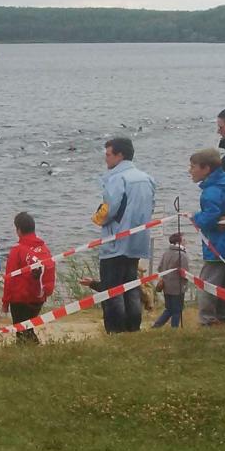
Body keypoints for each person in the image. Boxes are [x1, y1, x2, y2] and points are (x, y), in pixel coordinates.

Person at [92, 137, 156, 333]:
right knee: (131, 287)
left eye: (108, 155)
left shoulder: (116, 178)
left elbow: (109, 211)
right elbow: (151, 207)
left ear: (119, 155)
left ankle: (116, 330)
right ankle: (133, 327)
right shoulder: (147, 178)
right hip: (137, 241)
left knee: (112, 290)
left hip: (116, 241)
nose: (106, 159)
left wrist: (97, 218)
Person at [1, 212, 56, 344]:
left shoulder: (17, 250)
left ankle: (30, 352)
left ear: (19, 230)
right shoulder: (44, 248)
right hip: (39, 297)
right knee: (28, 329)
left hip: (21, 298)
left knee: (22, 332)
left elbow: (9, 278)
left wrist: (5, 301)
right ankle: (33, 349)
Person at [189, 148, 225, 325]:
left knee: (207, 283)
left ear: (206, 168)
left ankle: (207, 318)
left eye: (193, 166)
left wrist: (195, 217)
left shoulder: (210, 192)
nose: (190, 170)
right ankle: (223, 315)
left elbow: (209, 218)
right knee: (224, 282)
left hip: (217, 246)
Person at [153, 233, 190, 328]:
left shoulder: (166, 253)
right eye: (183, 240)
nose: (185, 242)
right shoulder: (182, 255)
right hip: (177, 287)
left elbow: (159, 268)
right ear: (179, 242)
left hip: (166, 286)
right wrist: (185, 283)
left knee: (169, 309)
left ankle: (157, 326)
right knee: (177, 310)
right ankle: (174, 329)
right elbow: (185, 273)